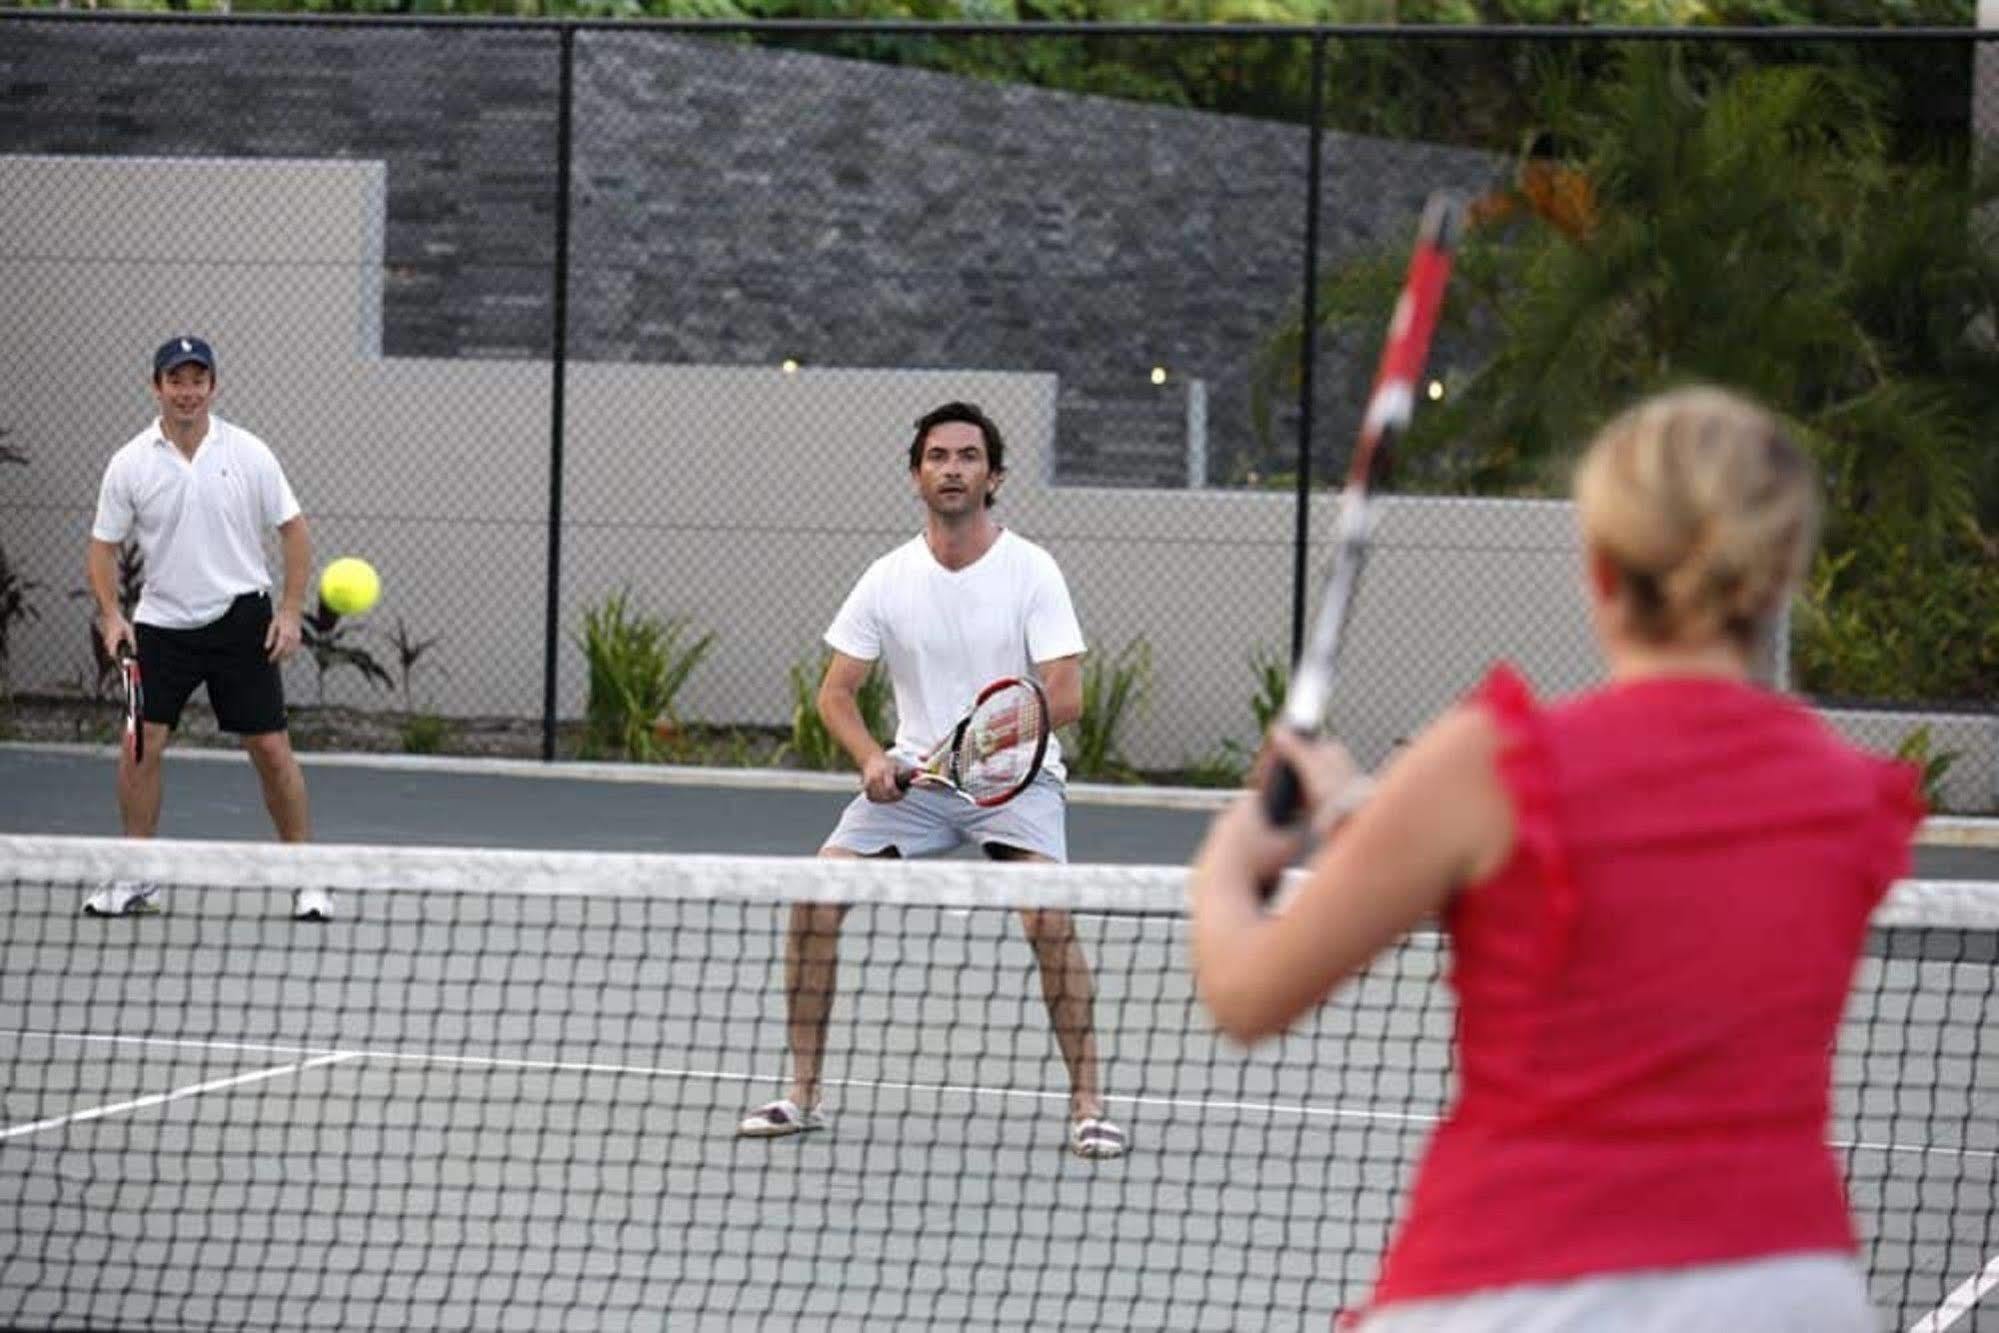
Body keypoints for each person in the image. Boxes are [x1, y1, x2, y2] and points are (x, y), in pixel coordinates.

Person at [1189, 387, 1922, 1330]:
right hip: (1788, 1288)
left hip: (1520, 1288)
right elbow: (1659, 871)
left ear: (1601, 568)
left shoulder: (1488, 768)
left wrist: (1225, 862)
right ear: (1778, 574)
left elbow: (1248, 995)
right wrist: (1351, 804)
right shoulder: (1848, 796)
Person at [737, 401, 1127, 1161]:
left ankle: (1088, 1105)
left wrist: (985, 746)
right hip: (916, 784)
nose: (953, 468)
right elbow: (835, 693)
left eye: (968, 456)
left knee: (1048, 919)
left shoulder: (1031, 568)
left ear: (993, 476)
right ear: (916, 474)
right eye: (938, 456)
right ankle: (803, 1092)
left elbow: (1067, 692)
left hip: (1018, 783)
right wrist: (871, 761)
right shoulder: (887, 578)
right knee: (814, 899)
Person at [82, 335, 331, 922]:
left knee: (271, 749)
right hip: (161, 628)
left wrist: (290, 612)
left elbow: (294, 531)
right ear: (156, 387)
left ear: (213, 387)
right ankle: (138, 873)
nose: (187, 392)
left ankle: (309, 879)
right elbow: (102, 546)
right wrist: (112, 613)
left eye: (198, 380)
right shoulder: (130, 462)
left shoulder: (249, 454)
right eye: (176, 380)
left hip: (241, 619)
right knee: (138, 745)